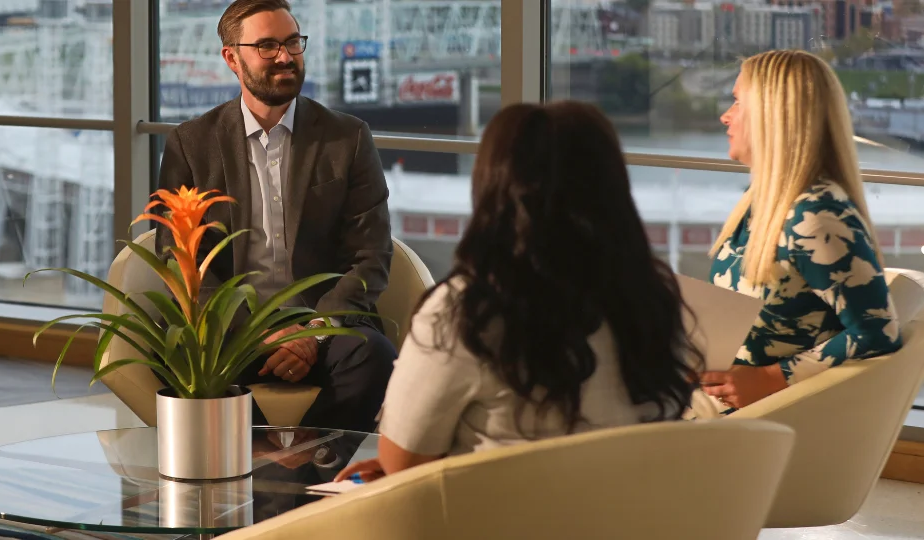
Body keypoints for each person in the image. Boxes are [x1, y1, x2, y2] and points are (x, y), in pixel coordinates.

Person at [335, 102, 701, 482]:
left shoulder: (466, 311)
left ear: (493, 187)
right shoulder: (652, 299)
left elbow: (403, 464)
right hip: (633, 510)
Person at [156, 0, 396, 432]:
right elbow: (179, 259)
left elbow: (370, 256)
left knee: (373, 357)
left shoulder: (348, 138)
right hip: (230, 331)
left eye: (292, 42)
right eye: (267, 46)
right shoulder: (191, 144)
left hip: (321, 325)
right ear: (232, 58)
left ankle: (308, 464)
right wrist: (257, 335)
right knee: (172, 355)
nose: (285, 56)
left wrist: (313, 333)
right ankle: (255, 460)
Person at [699, 50, 901, 414]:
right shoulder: (765, 199)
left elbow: (877, 332)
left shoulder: (816, 215)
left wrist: (771, 379)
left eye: (737, 102)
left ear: (771, 115)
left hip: (758, 418)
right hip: (719, 396)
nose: (725, 116)